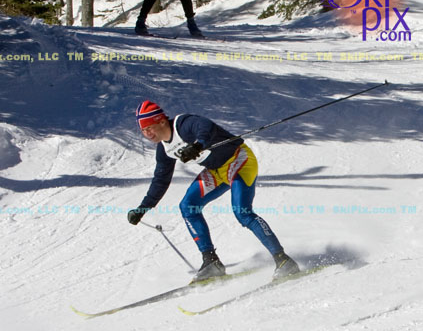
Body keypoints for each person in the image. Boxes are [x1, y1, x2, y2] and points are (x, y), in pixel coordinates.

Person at [128, 100, 299, 282]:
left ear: (162, 121)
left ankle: (283, 260)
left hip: (238, 160)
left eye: (149, 128)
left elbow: (206, 127)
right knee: (188, 206)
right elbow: (160, 181)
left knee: (243, 212)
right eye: (143, 131)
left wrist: (198, 145)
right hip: (216, 171)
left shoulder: (182, 125)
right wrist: (143, 208)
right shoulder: (164, 150)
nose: (147, 134)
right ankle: (211, 263)